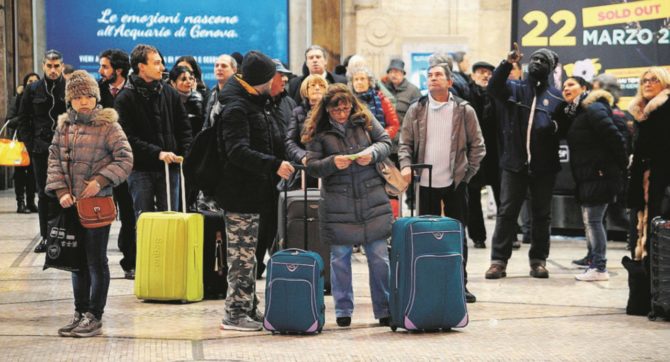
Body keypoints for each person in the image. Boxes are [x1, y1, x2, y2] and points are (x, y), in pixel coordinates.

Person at [45, 70, 133, 337]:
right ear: (69, 100)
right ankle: (80, 311)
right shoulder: (64, 127)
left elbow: (125, 160)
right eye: (77, 97)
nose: (83, 101)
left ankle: (95, 314)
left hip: (97, 205)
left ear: (96, 98)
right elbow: (53, 161)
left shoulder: (109, 126)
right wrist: (61, 191)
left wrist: (100, 180)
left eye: (88, 96)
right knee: (76, 261)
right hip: (70, 204)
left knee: (96, 260)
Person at [215, 51, 294, 331]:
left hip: (257, 193)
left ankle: (248, 306)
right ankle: (234, 313)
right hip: (240, 195)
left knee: (250, 256)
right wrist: (274, 165)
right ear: (260, 80)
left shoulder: (255, 103)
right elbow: (237, 151)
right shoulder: (237, 108)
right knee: (241, 257)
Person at [302, 83, 393, 327]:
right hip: (338, 203)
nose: (343, 114)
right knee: (340, 258)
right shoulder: (318, 131)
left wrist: (372, 154)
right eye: (337, 110)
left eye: (346, 108)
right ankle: (343, 310)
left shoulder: (364, 119)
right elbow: (311, 165)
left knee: (379, 257)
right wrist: (332, 162)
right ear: (327, 110)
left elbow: (385, 141)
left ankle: (384, 308)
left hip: (371, 197)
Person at [398, 62, 485, 303]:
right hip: (424, 184)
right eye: (430, 75)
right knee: (426, 236)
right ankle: (428, 283)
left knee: (457, 234)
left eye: (438, 75)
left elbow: (478, 146)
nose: (433, 78)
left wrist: (466, 175)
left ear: (450, 81)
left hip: (455, 183)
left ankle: (460, 284)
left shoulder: (464, 110)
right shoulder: (416, 109)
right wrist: (406, 166)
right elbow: (404, 144)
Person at [485, 45, 563, 280]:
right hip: (513, 163)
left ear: (550, 68)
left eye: (543, 60)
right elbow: (493, 87)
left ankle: (538, 261)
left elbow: (566, 128)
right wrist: (506, 63)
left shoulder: (556, 97)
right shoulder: (515, 87)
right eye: (535, 58)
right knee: (507, 213)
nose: (537, 62)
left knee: (541, 215)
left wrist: (556, 126)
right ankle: (498, 261)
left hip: (544, 167)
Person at [554, 76, 627, 281]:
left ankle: (599, 267)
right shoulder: (578, 112)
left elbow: (614, 137)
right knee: (593, 220)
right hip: (590, 176)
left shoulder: (594, 108)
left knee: (593, 220)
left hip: (599, 175)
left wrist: (619, 167)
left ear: (584, 88)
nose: (566, 88)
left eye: (571, 85)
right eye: (564, 85)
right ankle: (592, 259)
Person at [115, 44, 192, 216]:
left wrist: (185, 154)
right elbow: (126, 138)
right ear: (141, 66)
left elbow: (184, 128)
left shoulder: (170, 93)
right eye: (156, 63)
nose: (162, 67)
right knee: (144, 222)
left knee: (172, 220)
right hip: (140, 169)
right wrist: (157, 153)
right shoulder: (124, 98)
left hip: (170, 167)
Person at [18, 49, 66, 253]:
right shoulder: (33, 89)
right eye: (49, 66)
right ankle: (46, 237)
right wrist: (30, 144)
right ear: (43, 66)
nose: (53, 70)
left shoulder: (69, 87)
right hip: (40, 149)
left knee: (64, 193)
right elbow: (23, 119)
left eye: (57, 66)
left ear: (62, 66)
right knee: (44, 194)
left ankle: (64, 236)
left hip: (65, 149)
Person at [98, 48, 136, 279]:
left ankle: (129, 260)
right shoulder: (97, 91)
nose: (101, 71)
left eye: (105, 66)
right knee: (101, 211)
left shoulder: (132, 91)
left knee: (129, 212)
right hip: (103, 162)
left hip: (126, 160)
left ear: (118, 70)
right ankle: (95, 260)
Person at [627, 67, 670, 260]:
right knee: (640, 230)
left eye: (654, 80)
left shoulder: (666, 108)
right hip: (641, 178)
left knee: (659, 234)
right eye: (644, 80)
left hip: (662, 180)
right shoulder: (640, 114)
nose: (648, 83)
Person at [467, 61, 498, 249]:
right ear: (473, 75)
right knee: (473, 196)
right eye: (481, 72)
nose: (485, 76)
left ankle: (508, 236)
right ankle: (478, 236)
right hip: (474, 153)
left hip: (496, 152)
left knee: (503, 196)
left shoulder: (497, 93)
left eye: (488, 73)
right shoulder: (467, 94)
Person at [5, 72, 40, 214]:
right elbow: (10, 121)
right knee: (20, 174)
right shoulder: (18, 99)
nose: (32, 83)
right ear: (25, 84)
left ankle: (31, 202)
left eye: (35, 81)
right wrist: (24, 117)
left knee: (33, 173)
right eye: (29, 81)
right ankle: (20, 203)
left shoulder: (41, 99)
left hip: (36, 141)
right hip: (21, 142)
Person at [347, 66, 399, 142]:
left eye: (362, 79)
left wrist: (381, 137)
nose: (359, 82)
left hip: (379, 145)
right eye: (356, 79)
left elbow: (394, 125)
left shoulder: (381, 99)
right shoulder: (348, 101)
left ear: (369, 81)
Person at [286, 75, 328, 167]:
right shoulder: (298, 112)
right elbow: (290, 141)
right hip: (306, 166)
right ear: (306, 90)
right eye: (313, 85)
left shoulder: (331, 111)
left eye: (321, 86)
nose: (317, 88)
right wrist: (302, 156)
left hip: (329, 163)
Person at [202, 54, 237, 131]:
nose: (219, 68)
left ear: (234, 70)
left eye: (224, 66)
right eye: (216, 66)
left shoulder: (238, 93)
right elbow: (207, 122)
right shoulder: (212, 93)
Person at [383, 58, 421, 123]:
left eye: (396, 72)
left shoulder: (413, 90)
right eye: (390, 72)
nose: (393, 75)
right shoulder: (384, 90)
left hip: (405, 130)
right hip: (387, 130)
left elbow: (419, 114)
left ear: (403, 74)